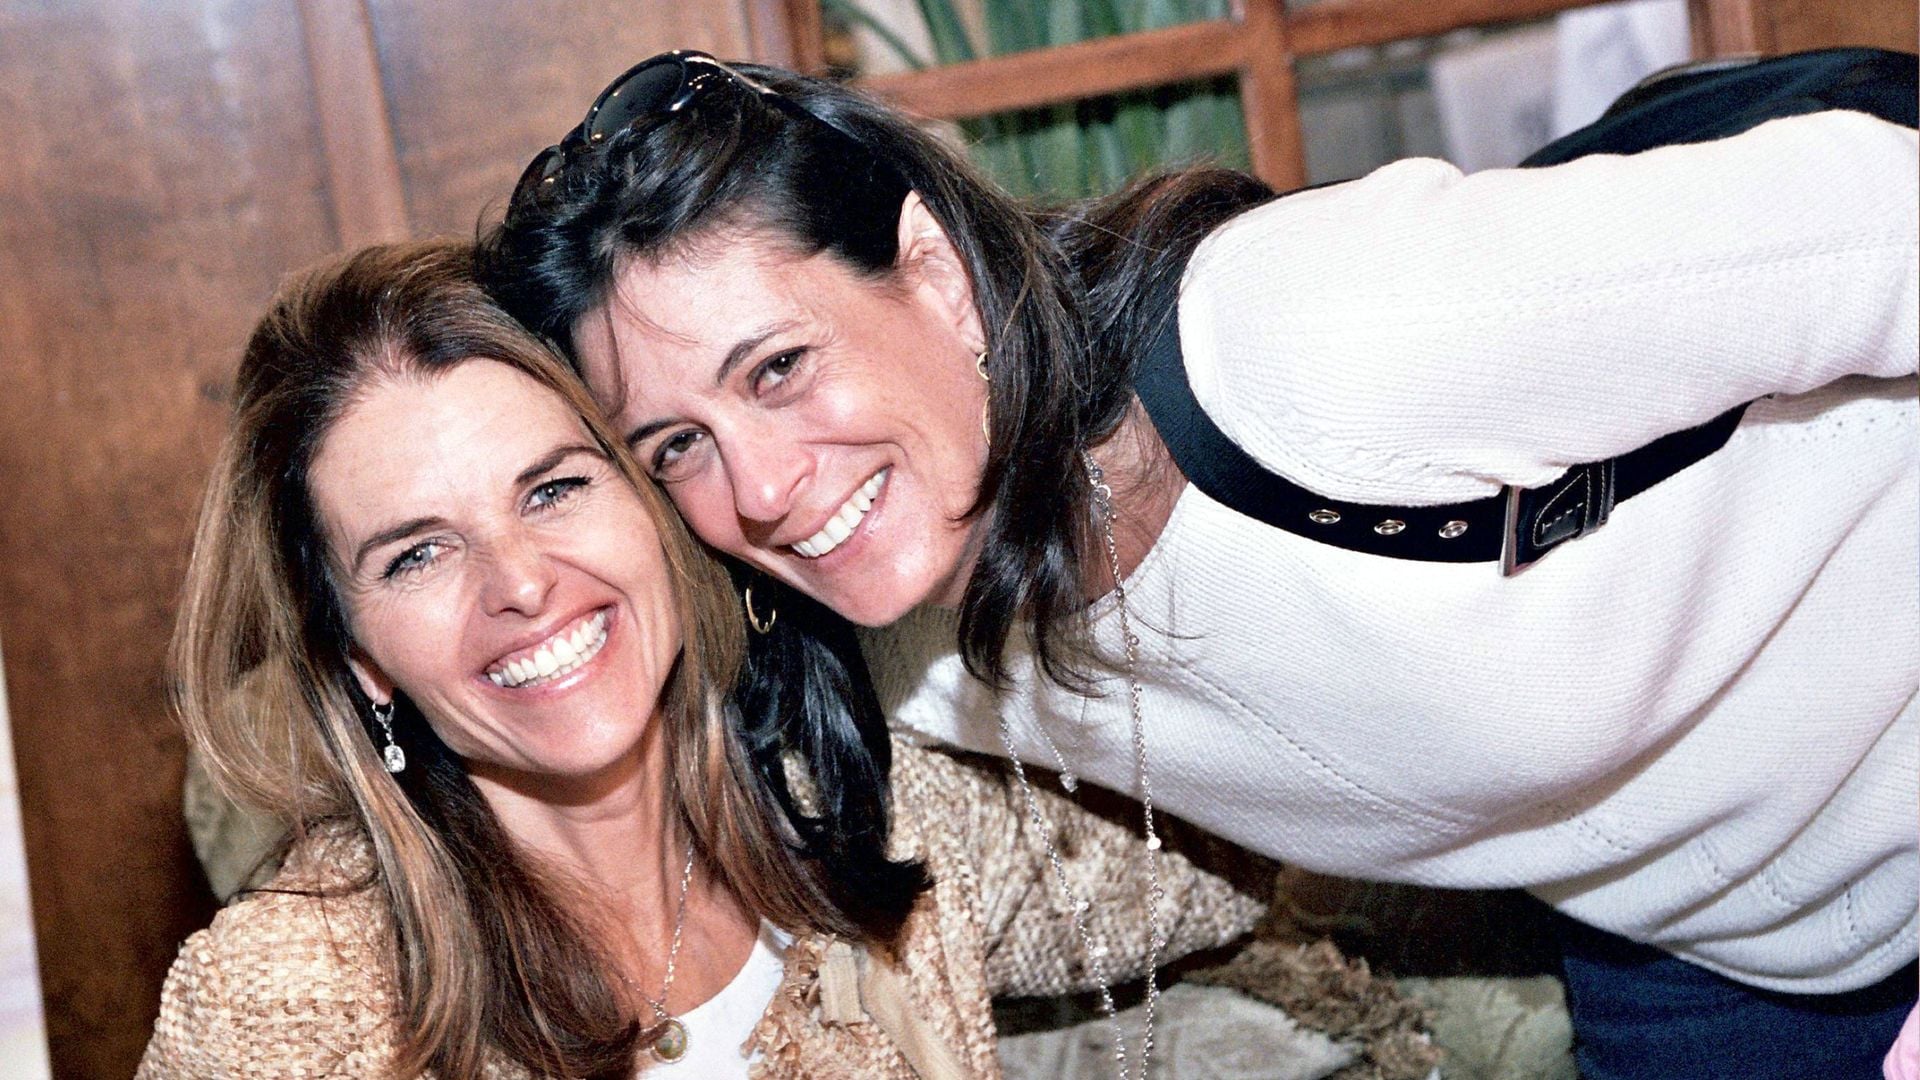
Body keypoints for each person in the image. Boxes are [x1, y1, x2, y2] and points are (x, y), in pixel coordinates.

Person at [481, 48, 1919, 1079]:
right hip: (1720, 959)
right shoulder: (888, 653)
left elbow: (1889, 223)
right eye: (676, 445)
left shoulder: (1321, 343)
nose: (764, 488)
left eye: (781, 365)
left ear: (930, 274)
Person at [136, 239, 1314, 1079]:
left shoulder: (869, 818)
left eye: (553, 489)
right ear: (361, 665)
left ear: (655, 508)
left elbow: (1222, 843)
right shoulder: (281, 1008)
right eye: (417, 555)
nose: (523, 585)